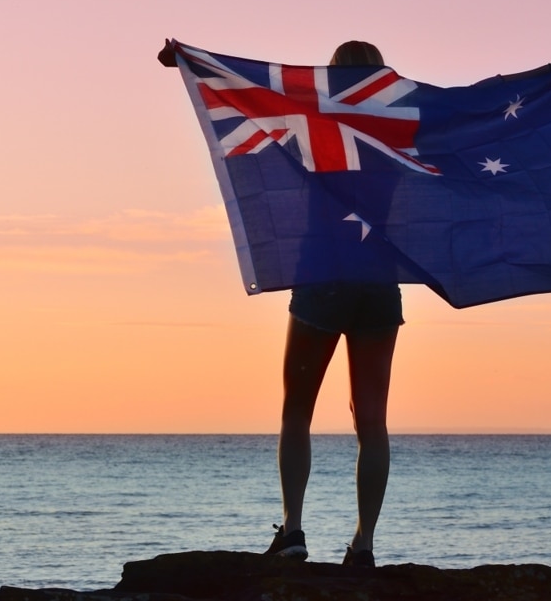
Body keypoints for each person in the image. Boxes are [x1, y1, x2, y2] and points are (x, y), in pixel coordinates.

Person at [158, 39, 399, 568]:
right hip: (379, 279)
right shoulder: (401, 132)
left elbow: (250, 99)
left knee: (297, 410)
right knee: (373, 421)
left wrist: (193, 64)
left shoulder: (313, 122)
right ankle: (364, 546)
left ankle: (292, 531)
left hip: (323, 276)